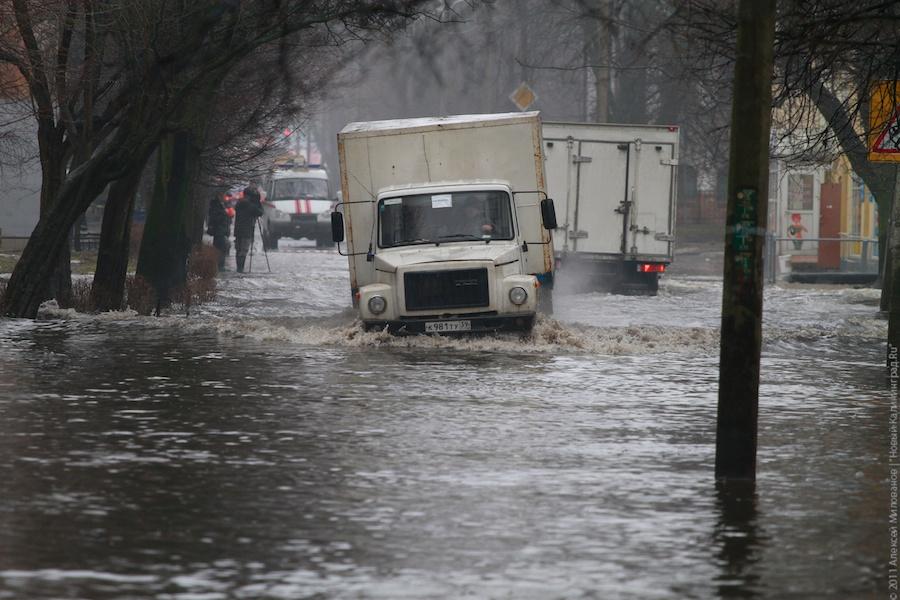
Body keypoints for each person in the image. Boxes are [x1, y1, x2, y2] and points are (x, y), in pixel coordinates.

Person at [233, 185, 264, 272]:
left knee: (238, 249)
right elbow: (260, 212)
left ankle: (239, 268)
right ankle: (240, 268)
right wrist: (258, 203)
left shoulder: (239, 203)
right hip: (247, 231)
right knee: (244, 250)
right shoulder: (250, 206)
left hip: (238, 230)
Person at [207, 192, 231, 270]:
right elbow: (214, 218)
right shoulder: (216, 205)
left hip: (222, 230)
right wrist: (224, 214)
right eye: (224, 195)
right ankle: (219, 266)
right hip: (219, 230)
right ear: (219, 195)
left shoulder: (222, 204)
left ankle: (220, 265)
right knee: (220, 248)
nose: (225, 197)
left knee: (223, 247)